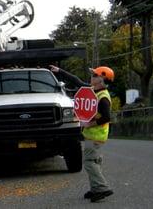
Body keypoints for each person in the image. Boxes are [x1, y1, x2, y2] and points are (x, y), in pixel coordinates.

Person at [49, 65, 114, 202]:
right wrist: (60, 71)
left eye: (95, 75)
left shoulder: (103, 97)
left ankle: (102, 188)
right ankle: (95, 188)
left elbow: (106, 117)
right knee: (94, 161)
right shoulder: (92, 91)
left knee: (90, 162)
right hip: (91, 135)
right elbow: (77, 81)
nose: (92, 77)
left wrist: (90, 124)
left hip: (96, 135)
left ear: (102, 80)